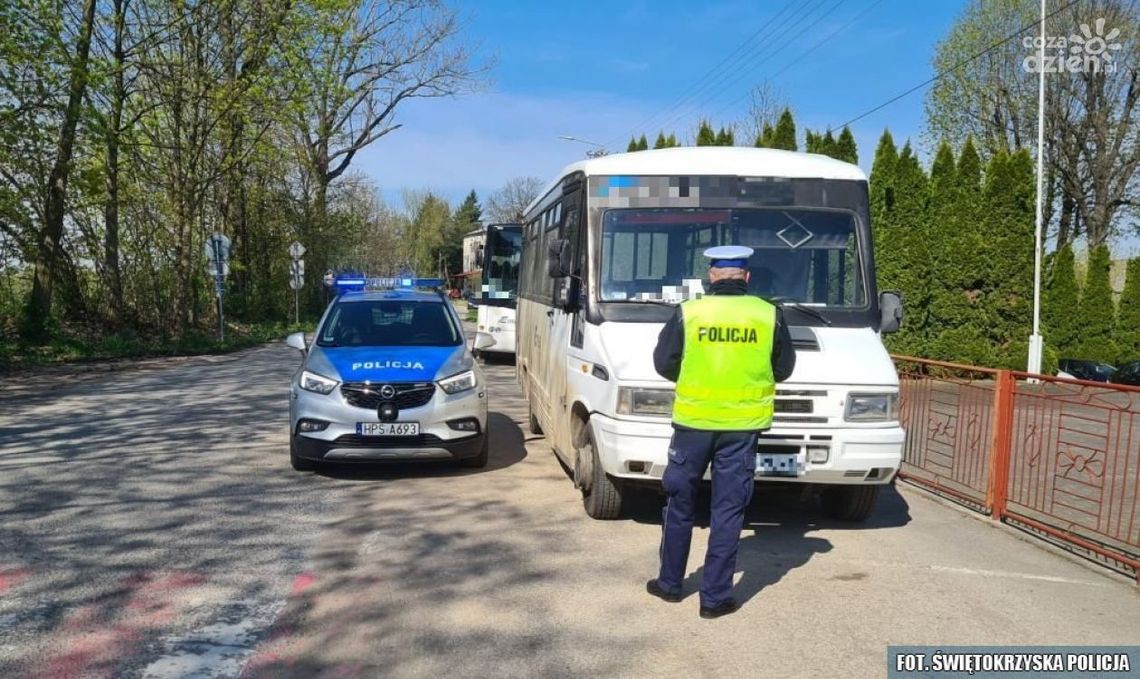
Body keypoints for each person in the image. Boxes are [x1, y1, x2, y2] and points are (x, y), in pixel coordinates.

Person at [647, 245, 796, 619]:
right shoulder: (768, 315)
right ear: (746, 277)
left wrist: (698, 379)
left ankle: (669, 584)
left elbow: (663, 363)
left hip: (693, 424)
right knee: (728, 511)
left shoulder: (689, 312)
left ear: (711, 277)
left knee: (679, 503)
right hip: (742, 428)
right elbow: (783, 368)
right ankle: (714, 600)